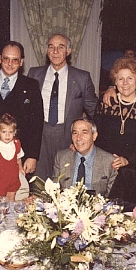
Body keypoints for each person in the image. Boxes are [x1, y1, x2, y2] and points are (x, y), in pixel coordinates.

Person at [28, 33, 98, 180]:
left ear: (68, 51)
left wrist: (83, 141)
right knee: (38, 184)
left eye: (61, 47)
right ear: (47, 51)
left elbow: (95, 111)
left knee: (65, 183)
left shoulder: (82, 78)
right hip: (40, 137)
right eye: (51, 47)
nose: (55, 51)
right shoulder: (34, 74)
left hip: (69, 138)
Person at [0, 41, 44, 175]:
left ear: (21, 62)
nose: (10, 64)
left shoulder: (31, 85)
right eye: (6, 59)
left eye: (15, 60)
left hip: (20, 156)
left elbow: (37, 122)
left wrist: (32, 156)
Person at [94, 57, 136, 169]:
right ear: (115, 81)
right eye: (121, 79)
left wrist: (127, 160)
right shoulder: (106, 102)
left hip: (131, 166)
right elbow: (95, 131)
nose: (125, 83)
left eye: (130, 78)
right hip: (102, 163)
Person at [51, 118, 118, 198]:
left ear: (94, 136)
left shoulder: (109, 161)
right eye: (75, 133)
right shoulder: (62, 158)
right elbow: (54, 191)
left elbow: (112, 199)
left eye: (84, 132)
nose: (79, 138)